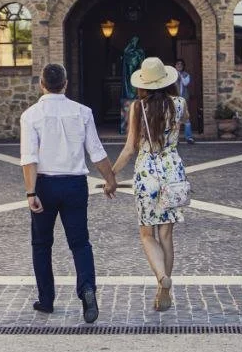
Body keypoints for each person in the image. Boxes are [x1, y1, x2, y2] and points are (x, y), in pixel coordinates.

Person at [19, 63, 118, 323]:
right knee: (80, 243)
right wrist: (111, 179)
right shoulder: (82, 112)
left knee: (41, 244)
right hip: (75, 185)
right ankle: (87, 291)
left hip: (44, 184)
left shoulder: (31, 115)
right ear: (65, 83)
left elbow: (29, 158)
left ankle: (47, 300)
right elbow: (96, 151)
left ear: (42, 84)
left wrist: (31, 193)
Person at [111, 56, 188, 312]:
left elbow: (130, 148)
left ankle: (160, 277)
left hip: (147, 174)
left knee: (147, 233)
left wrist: (111, 175)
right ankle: (163, 285)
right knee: (167, 233)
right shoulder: (179, 104)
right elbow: (180, 126)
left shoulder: (137, 108)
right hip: (172, 170)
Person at [174, 58, 195, 145]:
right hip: (174, 99)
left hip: (183, 99)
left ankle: (189, 137)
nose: (179, 66)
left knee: (186, 118)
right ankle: (175, 139)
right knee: (175, 119)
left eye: (181, 65)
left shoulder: (186, 75)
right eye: (177, 64)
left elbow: (186, 83)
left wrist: (180, 75)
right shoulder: (172, 75)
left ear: (183, 66)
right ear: (175, 66)